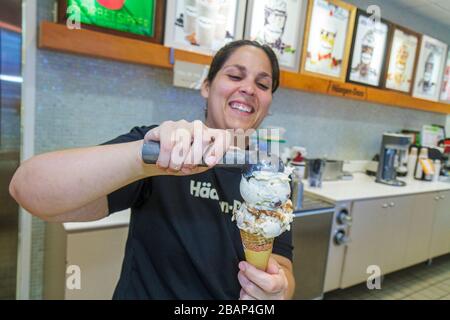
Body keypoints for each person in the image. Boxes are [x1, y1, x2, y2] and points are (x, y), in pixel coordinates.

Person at [9, 40, 295, 300]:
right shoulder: (158, 146)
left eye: (263, 84)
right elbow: (27, 189)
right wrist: (144, 158)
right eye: (235, 75)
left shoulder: (272, 175)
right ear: (206, 86)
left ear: (269, 102)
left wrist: (278, 290)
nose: (248, 88)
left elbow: (283, 265)